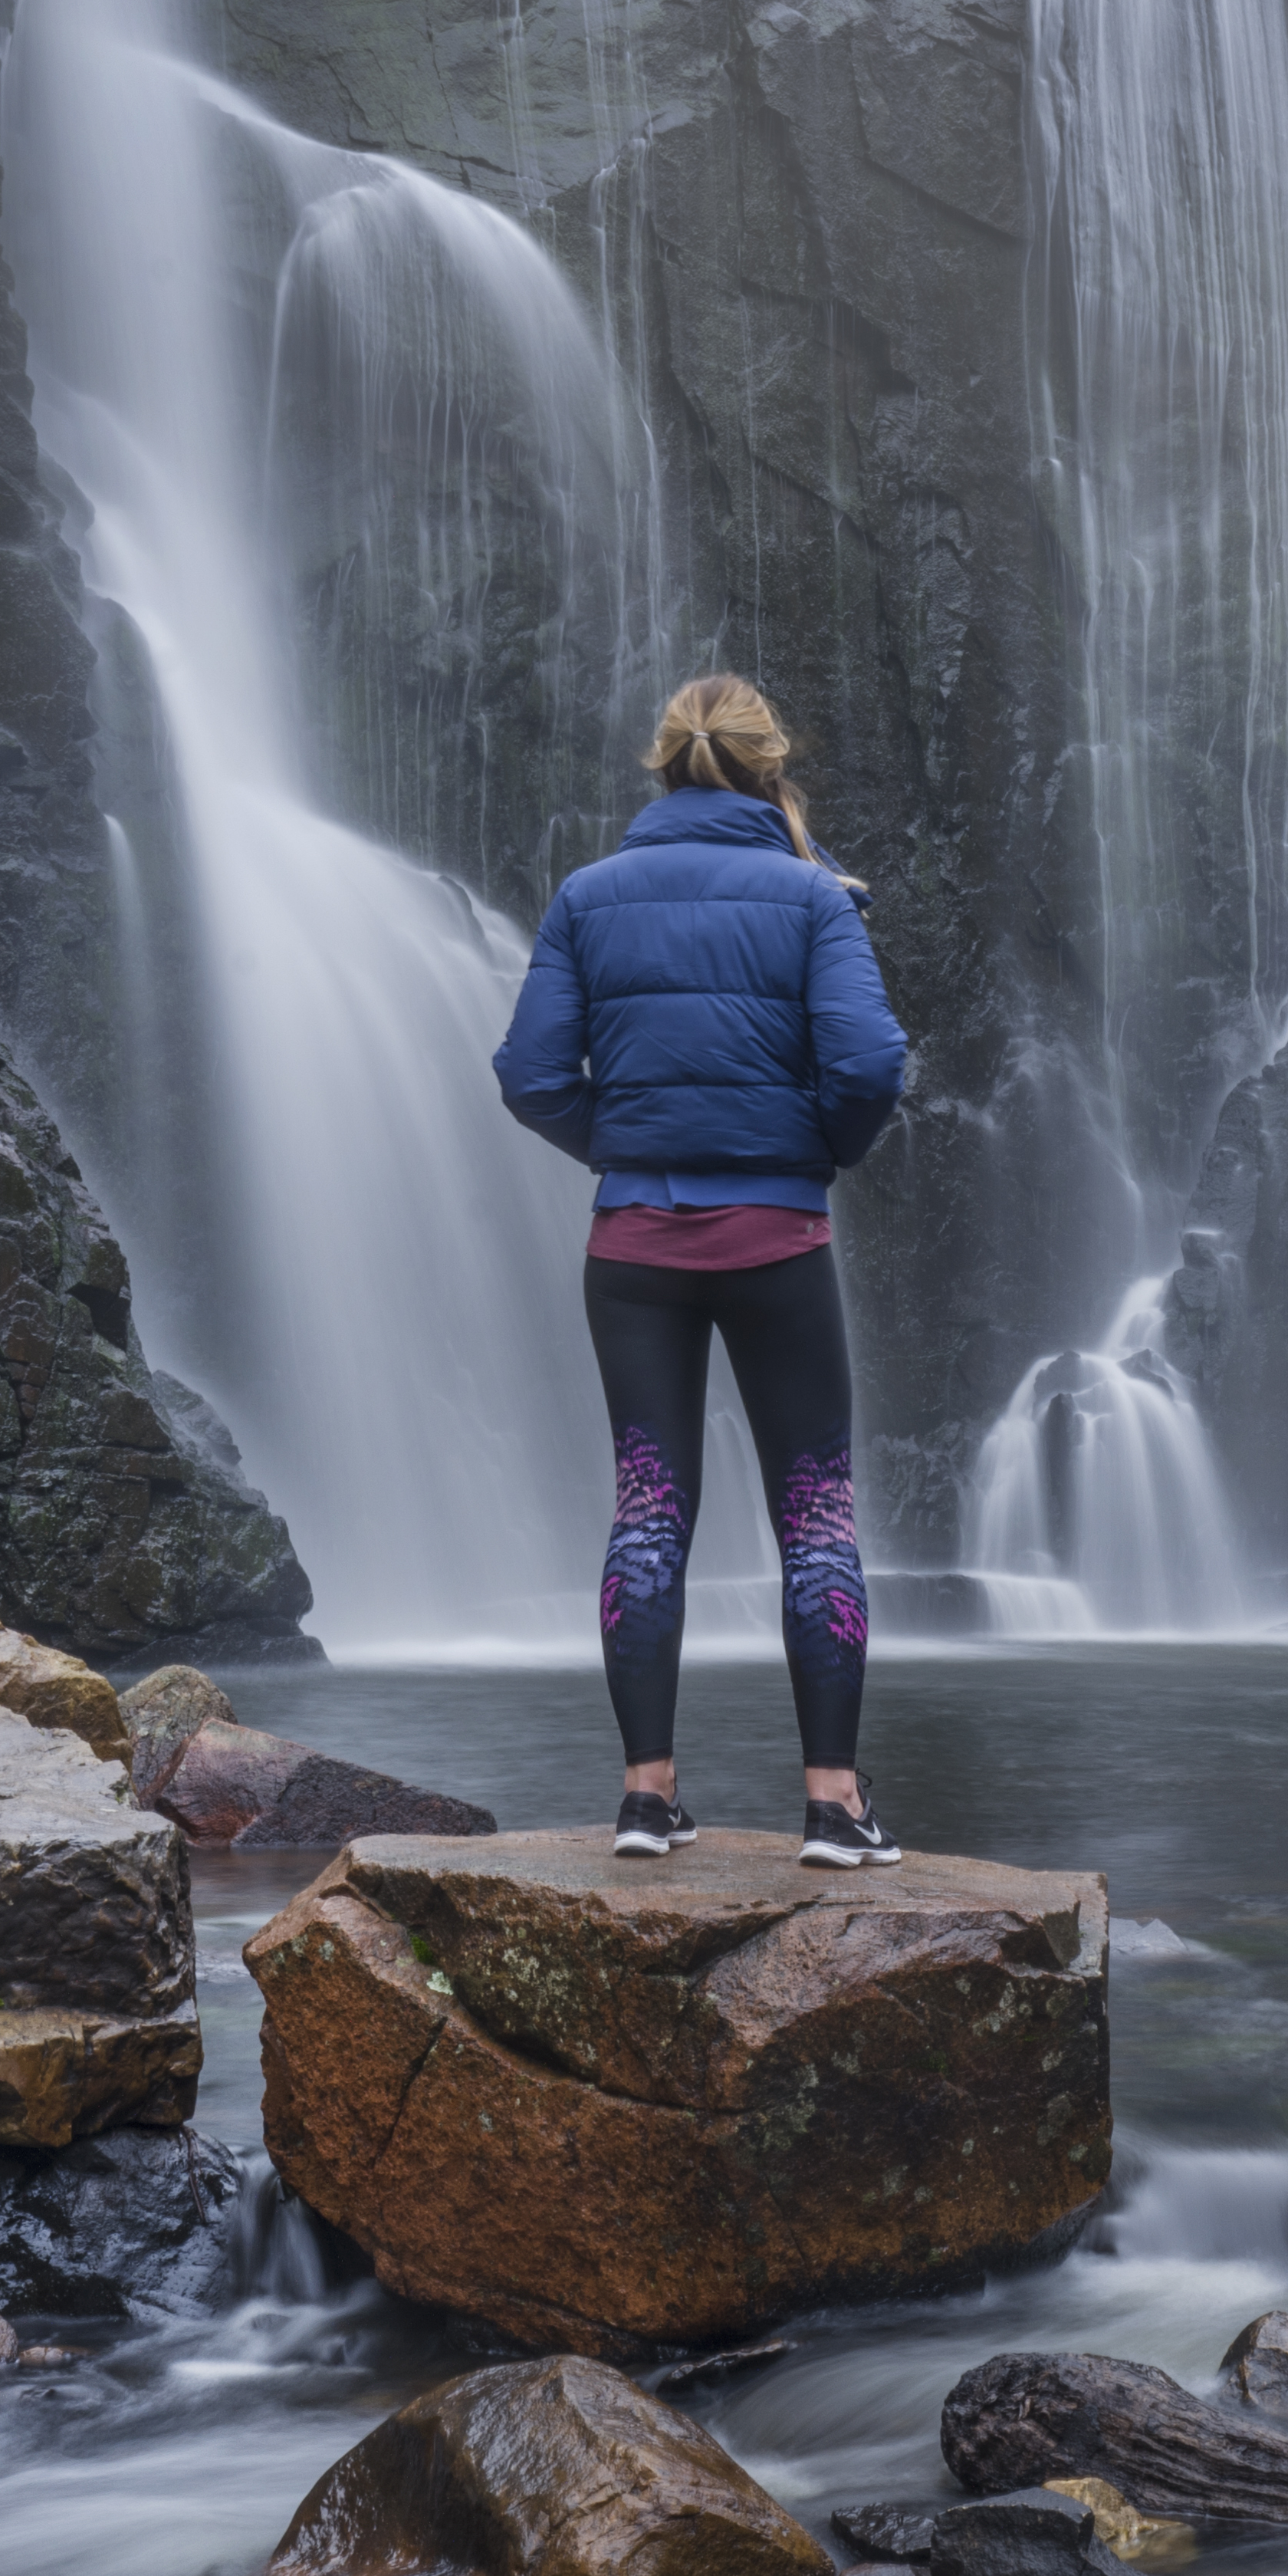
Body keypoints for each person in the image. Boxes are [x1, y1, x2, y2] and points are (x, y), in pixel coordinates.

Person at [492, 674, 911, 1867]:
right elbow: (869, 1065)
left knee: (648, 1509)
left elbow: (529, 1074)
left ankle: (646, 1798)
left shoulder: (589, 895)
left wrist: (622, 1146)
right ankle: (833, 1807)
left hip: (633, 1244)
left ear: (663, 763)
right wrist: (811, 1153)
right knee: (814, 1512)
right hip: (778, 1239)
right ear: (771, 766)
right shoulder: (813, 897)